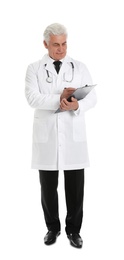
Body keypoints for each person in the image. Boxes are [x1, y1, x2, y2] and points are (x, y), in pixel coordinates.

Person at [25, 23, 97, 248]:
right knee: (48, 187)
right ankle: (52, 228)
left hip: (72, 134)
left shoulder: (79, 66)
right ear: (45, 44)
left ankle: (74, 231)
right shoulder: (34, 68)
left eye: (64, 43)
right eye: (56, 44)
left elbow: (92, 98)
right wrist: (59, 99)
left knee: (75, 186)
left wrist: (76, 105)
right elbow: (32, 98)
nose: (61, 49)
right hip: (47, 135)